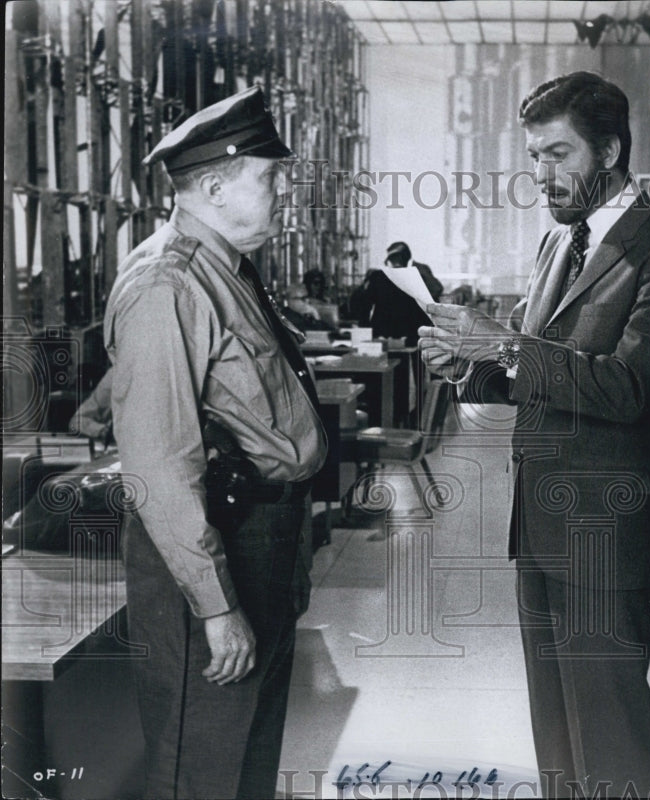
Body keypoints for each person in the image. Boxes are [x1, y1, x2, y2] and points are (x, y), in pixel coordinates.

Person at [418, 71, 650, 798]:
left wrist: (507, 346)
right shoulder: (558, 244)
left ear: (609, 150)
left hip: (604, 528)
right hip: (540, 524)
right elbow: (530, 375)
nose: (540, 173)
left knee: (610, 740)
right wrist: (466, 366)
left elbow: (628, 386)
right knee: (555, 733)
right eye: (534, 156)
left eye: (557, 154)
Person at [103, 85, 327, 800]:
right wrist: (215, 605)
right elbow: (159, 469)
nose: (280, 192)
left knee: (248, 757)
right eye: (269, 177)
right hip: (211, 551)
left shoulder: (228, 271)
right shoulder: (167, 285)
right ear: (213, 185)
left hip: (262, 537)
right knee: (201, 766)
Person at [347, 242, 442, 345]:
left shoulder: (381, 276)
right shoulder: (381, 276)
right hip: (405, 334)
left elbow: (361, 306)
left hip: (393, 334)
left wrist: (365, 328)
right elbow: (436, 292)